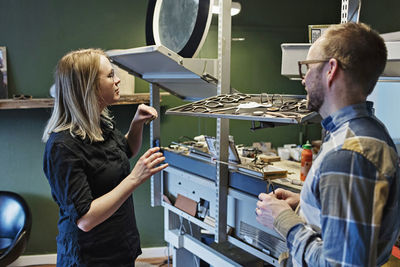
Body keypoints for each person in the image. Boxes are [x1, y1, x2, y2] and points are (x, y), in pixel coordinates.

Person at [256, 22, 400, 266]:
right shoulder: (358, 132)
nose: (303, 80)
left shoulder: (350, 152)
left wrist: (284, 221)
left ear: (330, 69)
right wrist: (304, 204)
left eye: (307, 67)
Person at [42, 48, 168, 266]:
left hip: (119, 245)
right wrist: (134, 178)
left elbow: (125, 151)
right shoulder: (62, 146)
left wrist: (136, 124)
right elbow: (85, 219)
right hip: (91, 257)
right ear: (88, 86)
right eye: (110, 75)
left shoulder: (99, 124)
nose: (118, 80)